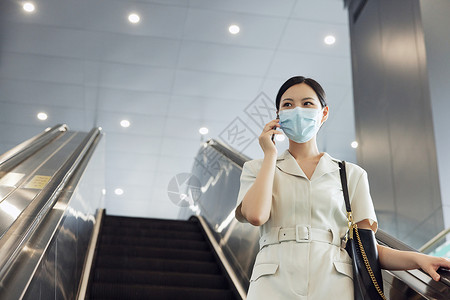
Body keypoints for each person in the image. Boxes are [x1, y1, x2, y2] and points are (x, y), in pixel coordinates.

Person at [234, 76, 450, 299]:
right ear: (278, 116)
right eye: (288, 104)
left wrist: (417, 259)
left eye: (307, 103)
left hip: (333, 284)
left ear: (324, 113)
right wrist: (270, 154)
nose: (297, 110)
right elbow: (256, 216)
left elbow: (367, 248)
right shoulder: (257, 168)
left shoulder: (350, 174)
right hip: (272, 283)